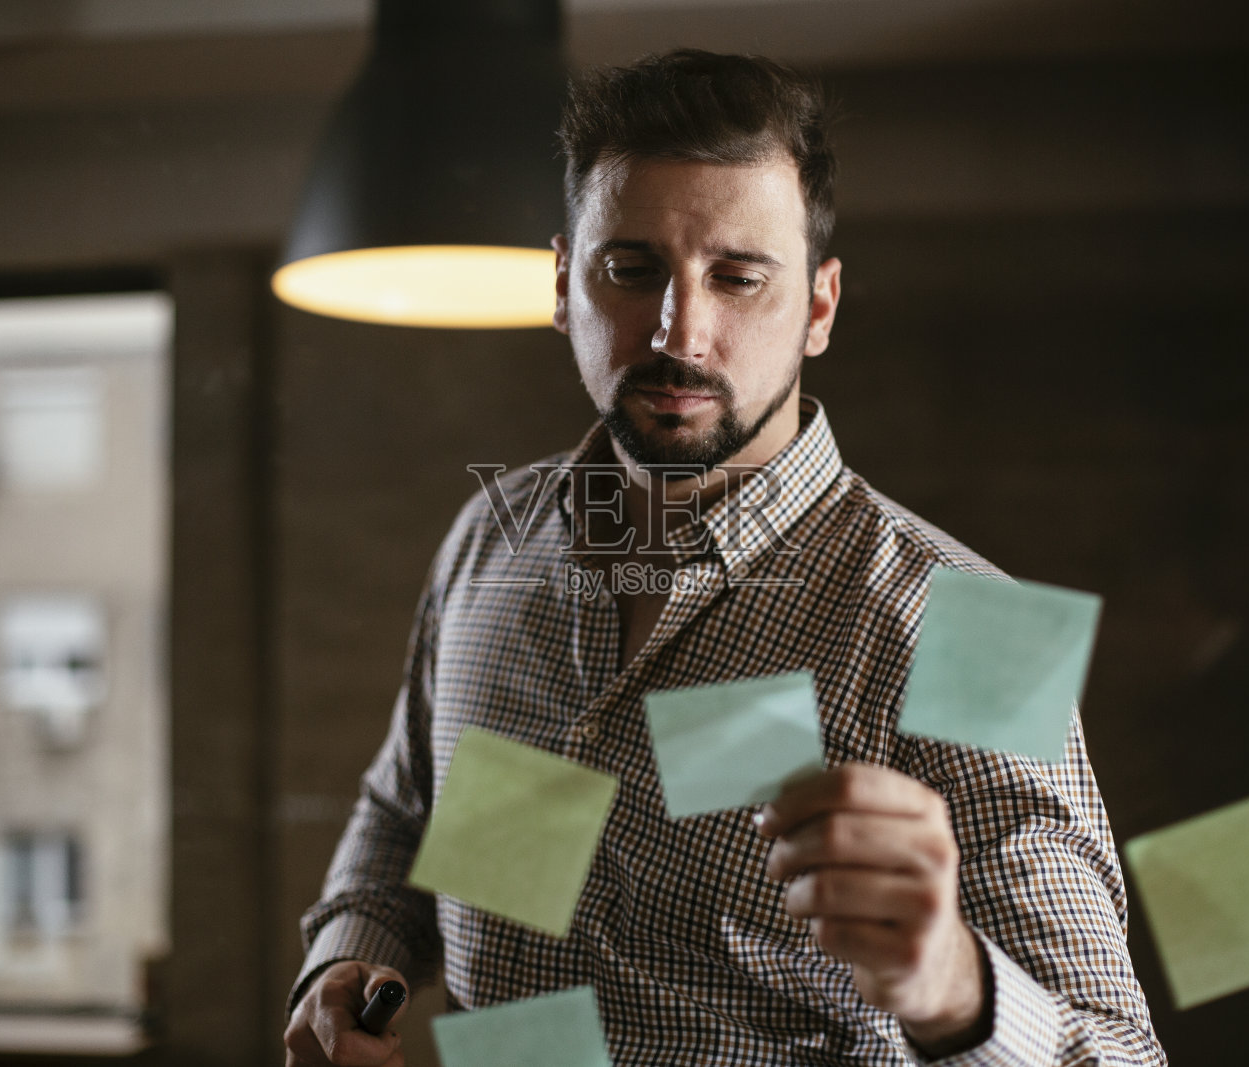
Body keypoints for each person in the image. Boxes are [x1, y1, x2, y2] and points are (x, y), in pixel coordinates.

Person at [284, 49, 1164, 1066]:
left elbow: (1119, 1053)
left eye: (737, 276)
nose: (680, 329)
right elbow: (404, 811)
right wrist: (346, 958)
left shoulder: (975, 625)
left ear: (820, 307)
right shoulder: (492, 538)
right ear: (564, 283)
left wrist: (956, 989)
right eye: (632, 269)